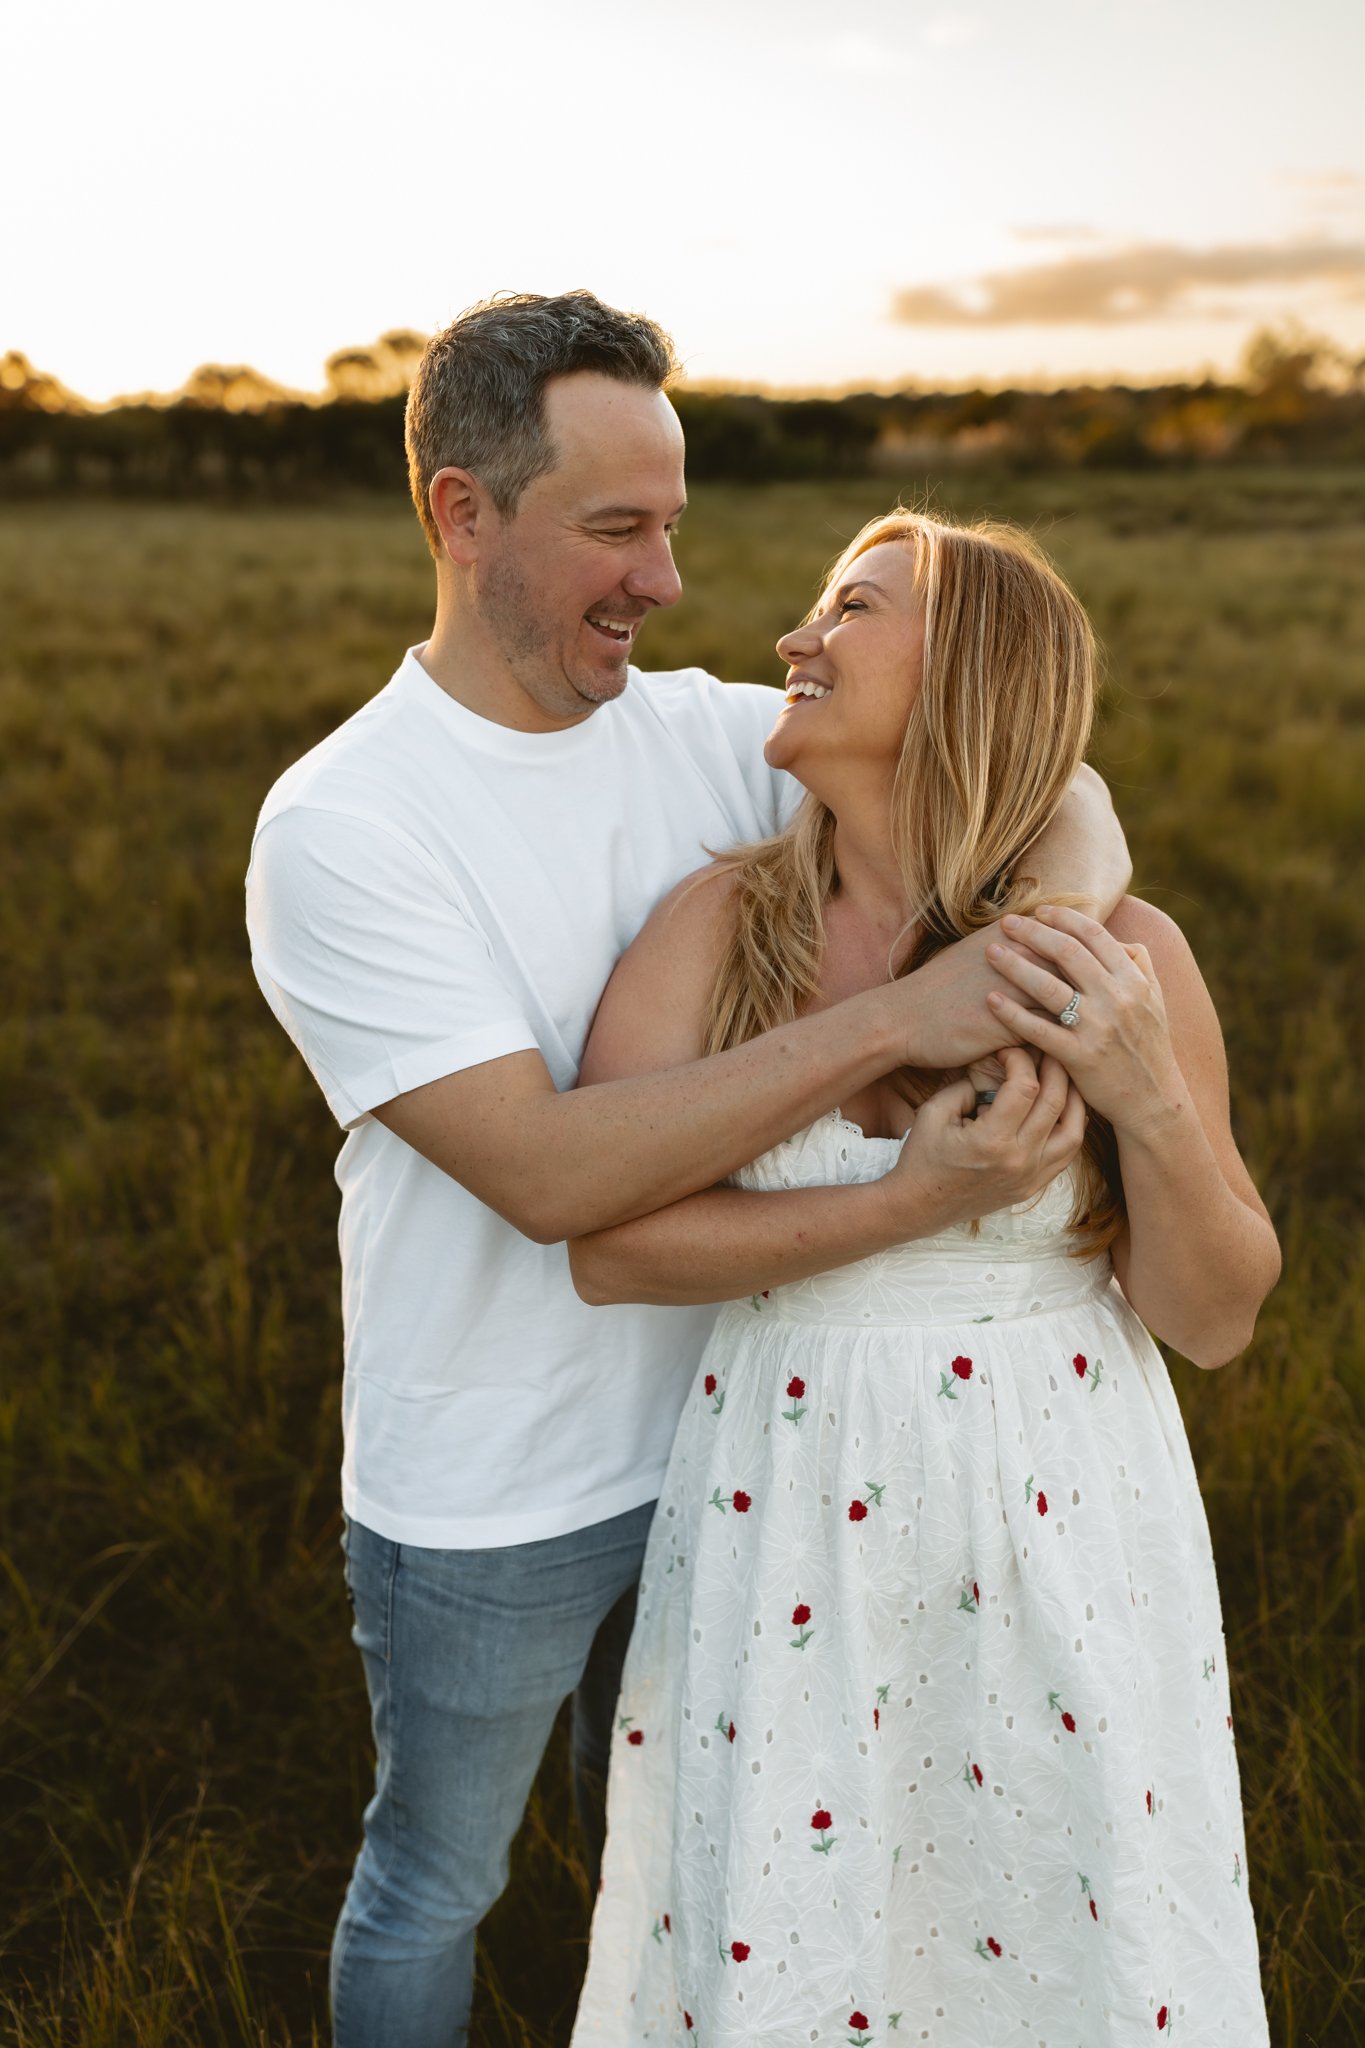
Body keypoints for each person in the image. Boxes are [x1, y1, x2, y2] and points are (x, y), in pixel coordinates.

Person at [244, 292, 1131, 2048]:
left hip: (746, 1441)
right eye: (614, 529)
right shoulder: (344, 827)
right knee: (438, 1879)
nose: (663, 582)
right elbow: (553, 1176)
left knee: (675, 1846)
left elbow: (1054, 778)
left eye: (674, 528)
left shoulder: (705, 729)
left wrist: (1047, 955)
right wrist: (898, 1036)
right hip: (490, 1485)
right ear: (461, 513)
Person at [568, 510, 1279, 2045]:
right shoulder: (718, 926)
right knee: (797, 1924)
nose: (793, 637)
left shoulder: (1120, 946)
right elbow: (610, 1247)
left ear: (965, 673)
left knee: (1061, 1907)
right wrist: (913, 1200)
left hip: (1064, 1507)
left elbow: (1214, 1318)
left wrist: (1145, 1092)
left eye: (853, 607)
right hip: (791, 1503)